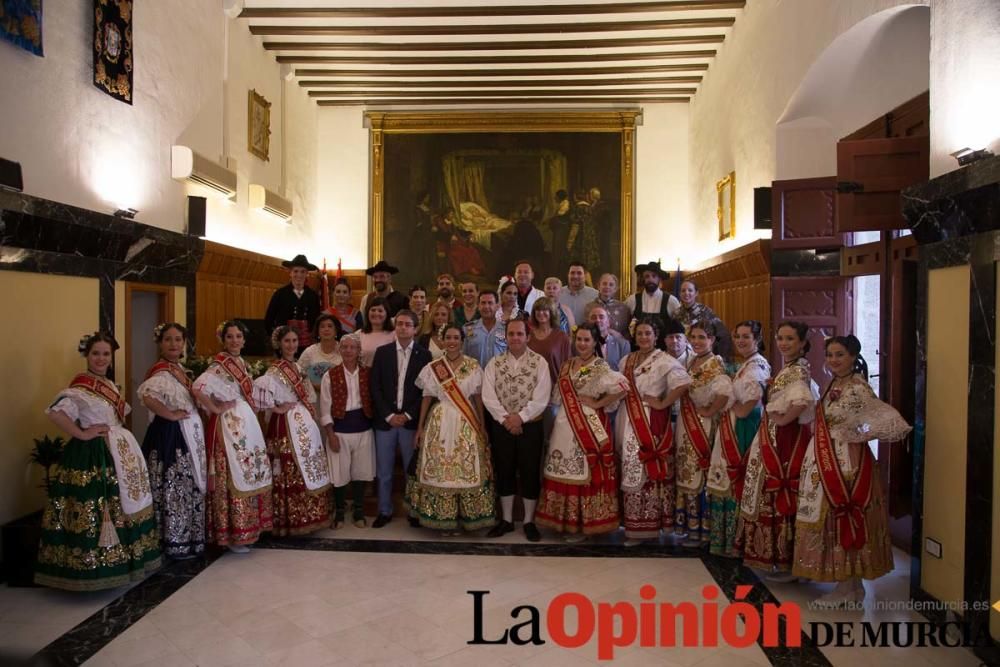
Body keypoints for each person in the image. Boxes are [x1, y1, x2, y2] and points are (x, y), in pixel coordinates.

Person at [36, 332, 161, 590]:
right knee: (98, 509)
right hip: (93, 455)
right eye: (96, 353)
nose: (101, 358)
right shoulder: (80, 388)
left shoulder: (111, 386)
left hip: (118, 452)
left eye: (106, 354)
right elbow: (56, 413)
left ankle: (126, 562)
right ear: (87, 355)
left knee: (125, 504)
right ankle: (93, 570)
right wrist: (82, 433)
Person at [793, 335, 911, 607]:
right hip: (825, 455)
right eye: (830, 355)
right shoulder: (834, 382)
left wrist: (855, 433)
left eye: (840, 355)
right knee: (829, 517)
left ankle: (847, 587)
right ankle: (849, 586)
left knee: (842, 515)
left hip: (846, 461)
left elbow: (880, 420)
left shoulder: (858, 387)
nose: (834, 360)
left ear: (853, 357)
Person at [737, 321, 818, 581]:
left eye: (790, 339)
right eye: (780, 338)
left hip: (786, 439)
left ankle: (785, 558)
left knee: (778, 490)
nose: (783, 343)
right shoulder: (790, 368)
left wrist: (782, 420)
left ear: (803, 343)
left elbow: (802, 399)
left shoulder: (798, 371)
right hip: (775, 435)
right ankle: (775, 557)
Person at [535, 323, 627, 541]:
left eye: (587, 340)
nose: (583, 344)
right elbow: (558, 396)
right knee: (563, 468)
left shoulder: (600, 366)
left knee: (584, 471)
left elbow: (623, 387)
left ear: (595, 342)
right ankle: (563, 521)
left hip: (589, 425)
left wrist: (599, 403)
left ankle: (583, 524)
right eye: (579, 340)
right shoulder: (568, 365)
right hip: (564, 423)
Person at [192, 321, 273, 553]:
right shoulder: (220, 364)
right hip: (229, 424)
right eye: (230, 337)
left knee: (249, 470)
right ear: (224, 340)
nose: (235, 340)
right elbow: (198, 387)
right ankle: (233, 533)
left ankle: (249, 528)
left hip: (244, 421)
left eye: (239, 336)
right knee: (234, 472)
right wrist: (215, 408)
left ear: (244, 340)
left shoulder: (241, 363)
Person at [408, 325, 496, 535]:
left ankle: (466, 517)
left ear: (462, 340)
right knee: (440, 470)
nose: (452, 341)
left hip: (466, 422)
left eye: (456, 337)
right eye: (448, 337)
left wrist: (482, 426)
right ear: (443, 340)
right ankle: (441, 517)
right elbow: (427, 398)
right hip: (439, 421)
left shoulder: (473, 366)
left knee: (466, 469)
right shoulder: (434, 367)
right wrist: (420, 428)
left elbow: (477, 398)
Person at [616, 320, 691, 545]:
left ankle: (650, 527)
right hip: (627, 418)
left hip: (651, 422)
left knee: (647, 471)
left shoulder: (664, 360)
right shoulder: (626, 360)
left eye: (648, 333)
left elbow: (683, 384)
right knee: (629, 466)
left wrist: (662, 403)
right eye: (639, 333)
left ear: (656, 335)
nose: (643, 337)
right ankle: (632, 525)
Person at [138, 323, 206, 560]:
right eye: (168, 339)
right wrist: (170, 414)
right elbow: (147, 397)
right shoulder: (161, 371)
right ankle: (172, 539)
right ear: (160, 343)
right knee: (173, 485)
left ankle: (189, 538)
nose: (174, 344)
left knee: (188, 484)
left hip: (187, 434)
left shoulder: (180, 370)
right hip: (169, 435)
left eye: (178, 339)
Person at [255, 326, 332, 536]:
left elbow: (308, 395)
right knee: (289, 466)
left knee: (308, 463)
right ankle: (290, 518)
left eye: (294, 340)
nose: (291, 345)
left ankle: (310, 514)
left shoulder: (298, 367)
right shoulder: (274, 370)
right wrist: (278, 408)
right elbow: (262, 398)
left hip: (302, 422)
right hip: (284, 424)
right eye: (287, 341)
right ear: (279, 344)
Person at [482, 319, 552, 542]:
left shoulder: (539, 363)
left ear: (527, 337)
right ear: (506, 337)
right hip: (502, 427)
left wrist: (520, 418)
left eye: (520, 334)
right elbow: (488, 396)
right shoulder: (494, 363)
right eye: (511, 334)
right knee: (505, 470)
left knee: (530, 471)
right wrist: (505, 420)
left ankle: (529, 521)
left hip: (530, 426)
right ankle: (507, 520)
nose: (515, 338)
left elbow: (542, 397)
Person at [706, 320, 770, 558]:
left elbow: (745, 410)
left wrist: (727, 398)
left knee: (737, 482)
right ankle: (725, 540)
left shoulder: (758, 367)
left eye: (746, 337)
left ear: (757, 339)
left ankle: (738, 543)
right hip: (733, 426)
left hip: (745, 429)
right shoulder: (745, 365)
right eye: (737, 336)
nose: (741, 341)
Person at [674, 321, 733, 548]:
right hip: (686, 422)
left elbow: (724, 393)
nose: (697, 342)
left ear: (712, 340)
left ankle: (703, 529)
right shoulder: (692, 360)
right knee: (687, 470)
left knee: (700, 471)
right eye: (694, 337)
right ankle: (690, 527)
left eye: (702, 337)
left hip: (704, 424)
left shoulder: (715, 364)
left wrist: (709, 410)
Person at [370, 309, 432, 527]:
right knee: (384, 471)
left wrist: (406, 415)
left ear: (415, 329)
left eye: (408, 324)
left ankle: (413, 512)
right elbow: (375, 387)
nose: (403, 327)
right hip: (385, 422)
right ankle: (384, 511)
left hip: (410, 422)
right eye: (400, 324)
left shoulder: (424, 355)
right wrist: (388, 415)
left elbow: (425, 392)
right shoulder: (383, 352)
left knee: (410, 471)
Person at [320, 334, 375, 529]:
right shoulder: (330, 375)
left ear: (359, 350)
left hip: (364, 429)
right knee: (339, 472)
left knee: (361, 471)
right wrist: (331, 434)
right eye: (345, 347)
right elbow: (325, 408)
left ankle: (359, 510)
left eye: (353, 347)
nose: (349, 351)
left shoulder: (368, 373)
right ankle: (340, 512)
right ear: (339, 350)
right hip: (340, 430)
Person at [265, 254, 322, 353]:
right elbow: (268, 319)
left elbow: (316, 321)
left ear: (307, 274)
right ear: (290, 273)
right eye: (295, 271)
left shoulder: (313, 296)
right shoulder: (280, 294)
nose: (299, 275)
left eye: (302, 272)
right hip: (284, 344)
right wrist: (276, 340)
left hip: (306, 345)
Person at [675, 280, 733, 360]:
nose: (686, 293)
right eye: (683, 290)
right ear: (680, 293)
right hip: (682, 356)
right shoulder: (676, 313)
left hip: (702, 355)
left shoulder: (705, 311)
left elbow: (723, 334)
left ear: (696, 293)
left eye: (690, 290)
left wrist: (722, 358)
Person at [624, 261, 680, 338]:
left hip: (663, 348)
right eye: (647, 276)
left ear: (659, 279)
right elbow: (624, 324)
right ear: (643, 279)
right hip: (638, 347)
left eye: (654, 276)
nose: (650, 279)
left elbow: (678, 328)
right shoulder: (632, 300)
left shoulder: (671, 301)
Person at [527, 297, 572, 385]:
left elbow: (568, 364)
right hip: (531, 387)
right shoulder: (528, 335)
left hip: (555, 388)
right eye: (538, 310)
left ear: (551, 312)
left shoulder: (561, 337)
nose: (541, 313)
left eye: (545, 310)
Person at [298, 313, 342, 394]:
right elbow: (298, 375)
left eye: (330, 326)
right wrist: (313, 385)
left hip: (339, 395)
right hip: (314, 397)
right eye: (322, 326)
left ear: (336, 331)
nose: (326, 329)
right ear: (318, 332)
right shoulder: (309, 352)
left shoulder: (344, 350)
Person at [463, 290, 507, 370]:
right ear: (478, 306)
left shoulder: (506, 329)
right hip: (475, 378)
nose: (486, 306)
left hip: (498, 377)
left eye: (490, 303)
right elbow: (464, 356)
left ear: (497, 306)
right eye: (483, 303)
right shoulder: (468, 329)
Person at [587, 306, 630, 371]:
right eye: (593, 317)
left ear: (608, 322)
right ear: (588, 322)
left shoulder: (622, 344)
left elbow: (626, 370)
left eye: (601, 317)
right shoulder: (581, 344)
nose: (597, 320)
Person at [358, 297, 395, 368]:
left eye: (380, 311)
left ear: (387, 314)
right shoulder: (359, 334)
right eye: (373, 310)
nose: (376, 313)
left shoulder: (394, 335)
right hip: (364, 376)